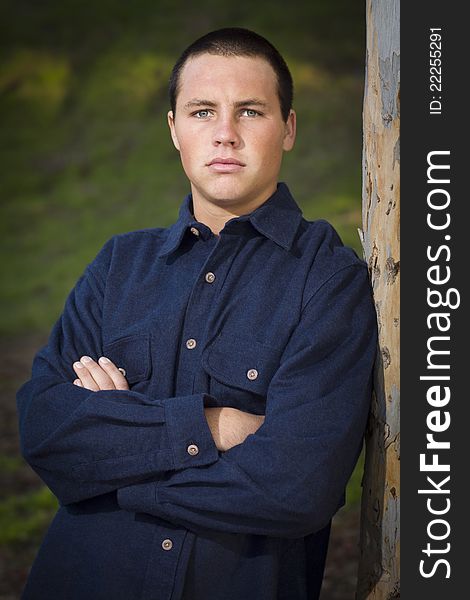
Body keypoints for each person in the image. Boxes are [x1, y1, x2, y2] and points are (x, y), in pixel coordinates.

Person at [17, 27, 377, 600]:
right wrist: (215, 426)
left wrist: (116, 469)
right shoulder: (118, 265)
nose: (226, 135)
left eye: (251, 112)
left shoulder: (329, 279)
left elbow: (297, 485)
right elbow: (46, 429)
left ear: (288, 129)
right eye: (203, 111)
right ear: (174, 130)